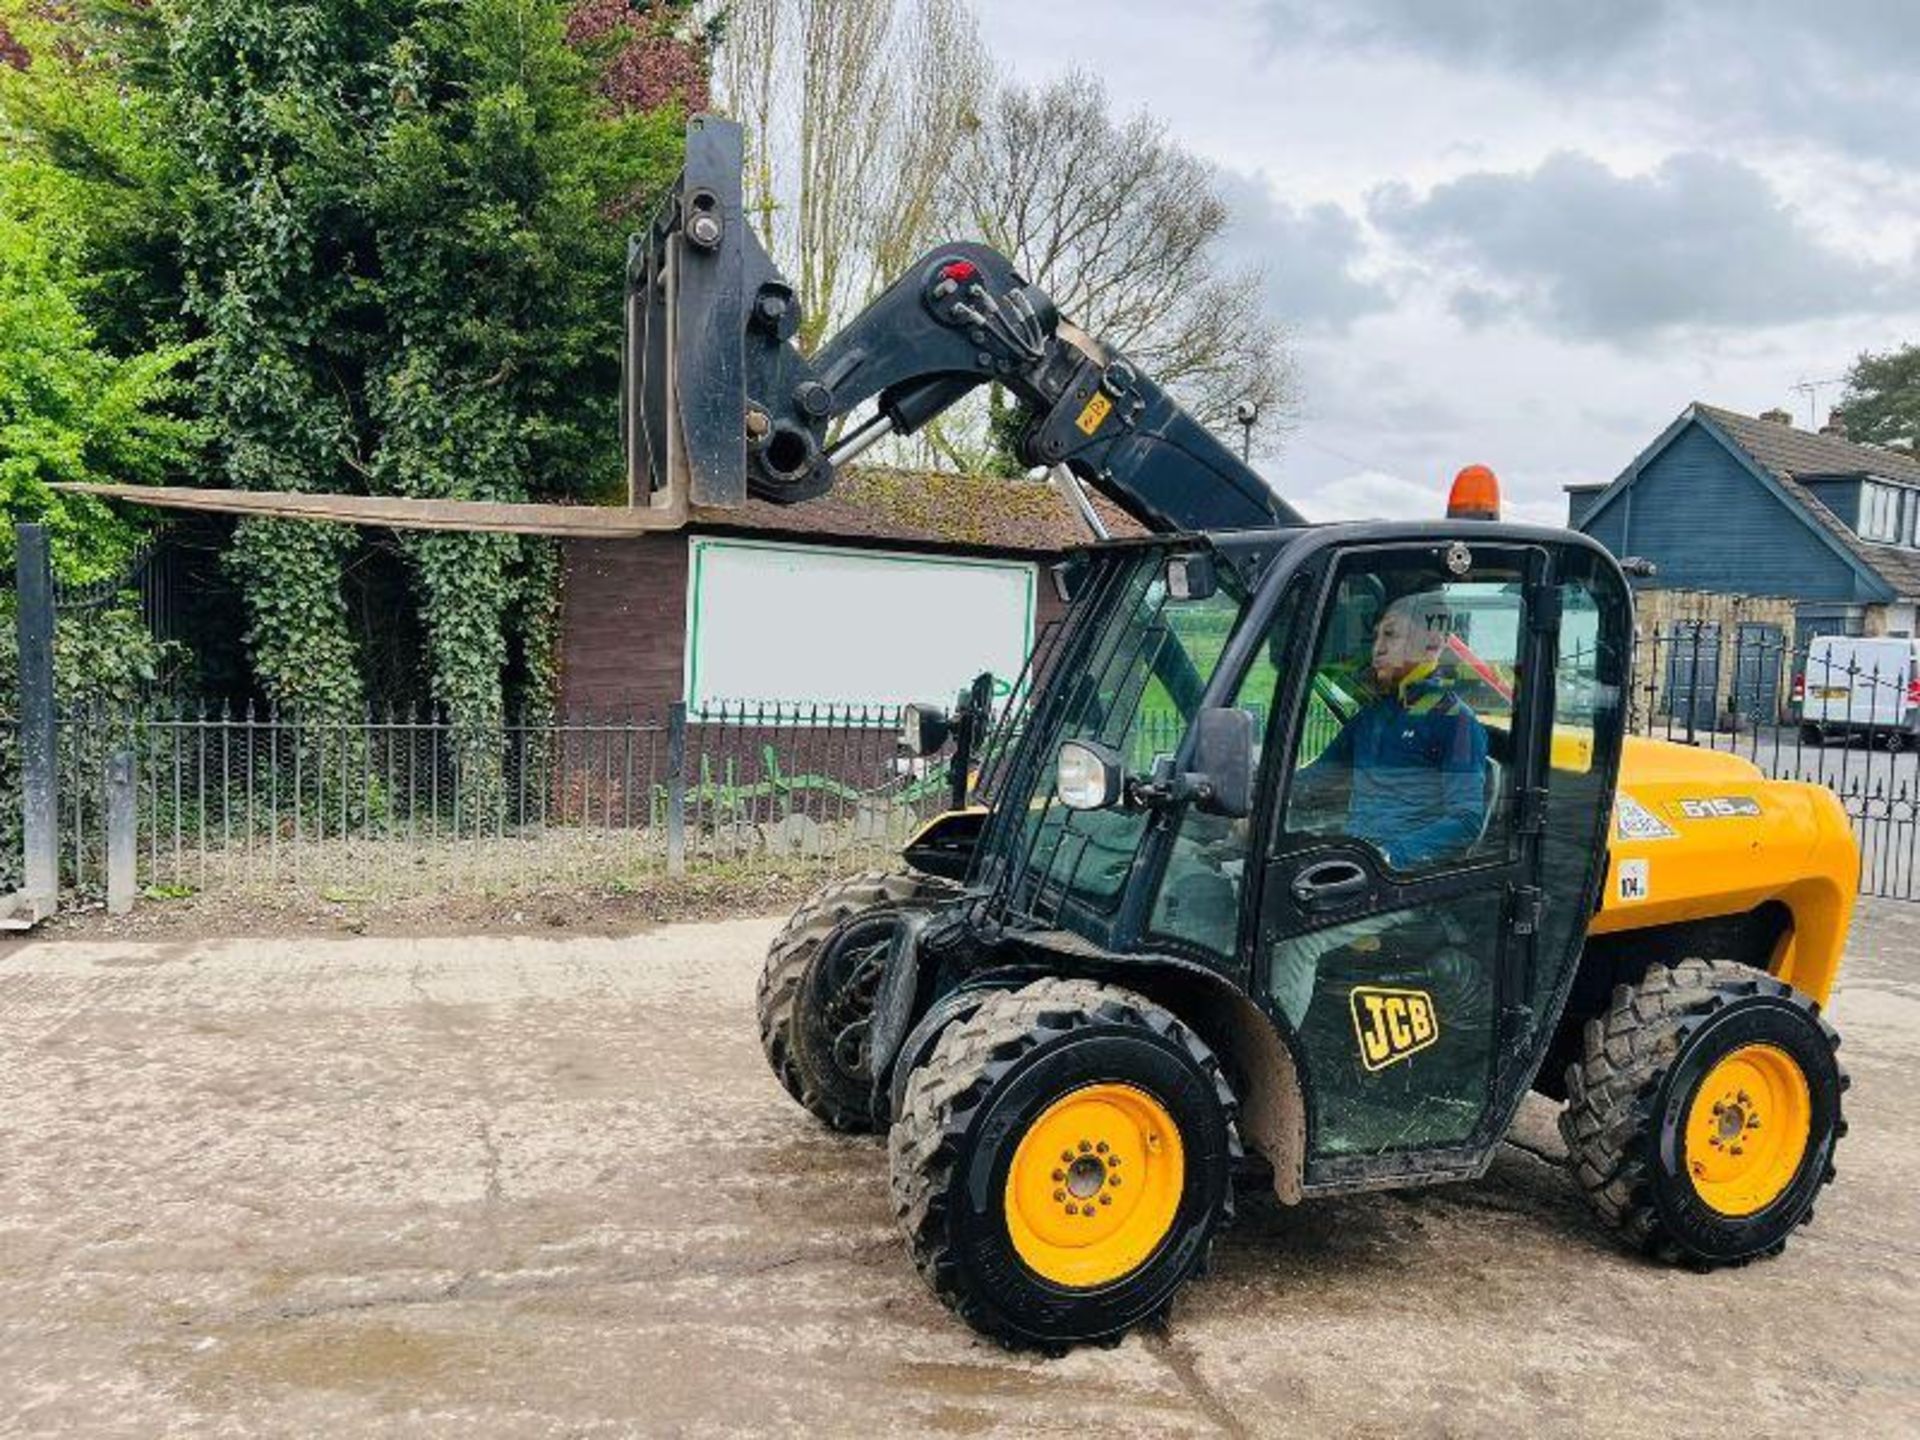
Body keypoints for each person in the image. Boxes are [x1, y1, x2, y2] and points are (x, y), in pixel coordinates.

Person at [1293, 590, 1490, 869]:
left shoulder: (1456, 722)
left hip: (1398, 882)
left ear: (1431, 644)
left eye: (1391, 635)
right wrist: (1256, 799)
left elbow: (1466, 820)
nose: (1378, 648)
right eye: (1377, 637)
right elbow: (1316, 779)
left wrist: (1390, 857)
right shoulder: (1371, 716)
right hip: (1354, 860)